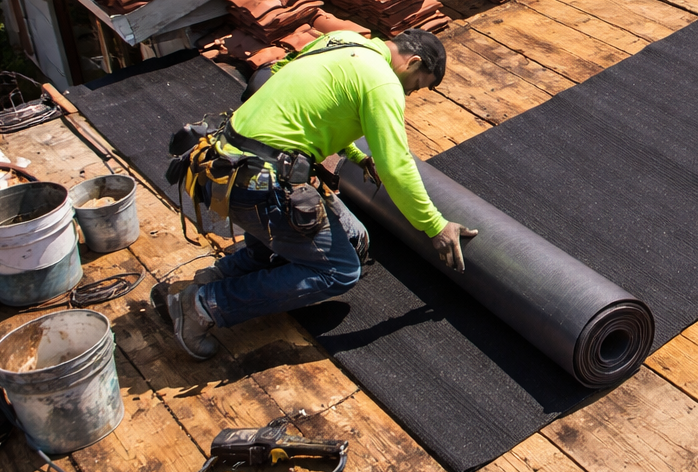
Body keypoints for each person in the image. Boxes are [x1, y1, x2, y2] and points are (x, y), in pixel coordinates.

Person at [160, 28, 476, 359]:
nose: (409, 94)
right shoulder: (382, 81)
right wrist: (436, 227)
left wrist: (356, 156)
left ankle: (218, 275)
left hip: (223, 164)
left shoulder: (341, 39)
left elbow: (302, 98)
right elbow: (397, 169)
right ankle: (201, 306)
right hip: (257, 187)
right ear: (412, 62)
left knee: (356, 239)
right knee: (339, 271)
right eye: (415, 86)